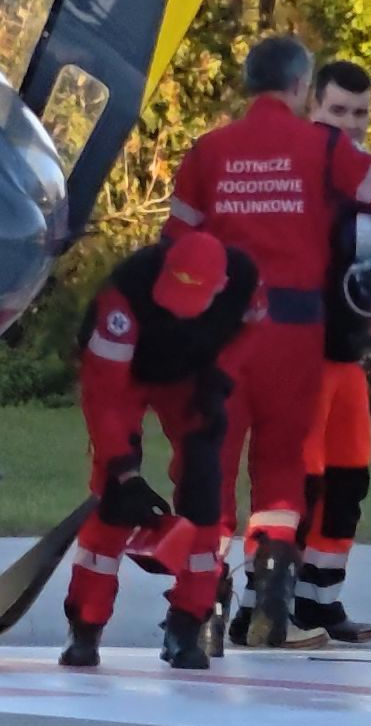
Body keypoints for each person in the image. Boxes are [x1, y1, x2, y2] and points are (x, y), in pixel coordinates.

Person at [163, 35, 371, 649]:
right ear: (303, 87)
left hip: (224, 330)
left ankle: (198, 614)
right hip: (296, 330)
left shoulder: (207, 152)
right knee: (282, 470)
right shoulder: (321, 149)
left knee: (211, 469)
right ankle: (274, 596)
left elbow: (176, 246)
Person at [60, 232, 261, 670]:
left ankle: (187, 623)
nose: (175, 308)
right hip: (127, 375)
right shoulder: (123, 298)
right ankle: (86, 626)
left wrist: (220, 376)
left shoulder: (245, 283)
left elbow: (249, 333)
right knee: (113, 499)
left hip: (190, 377)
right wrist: (124, 471)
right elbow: (104, 396)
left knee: (204, 497)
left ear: (220, 287)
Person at [290, 60, 371, 645]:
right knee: (300, 483)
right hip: (303, 351)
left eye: (360, 113)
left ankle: (320, 599)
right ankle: (266, 602)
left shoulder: (366, 175)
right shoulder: (300, 171)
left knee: (349, 481)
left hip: (349, 351)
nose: (349, 124)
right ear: (313, 108)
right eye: (337, 111)